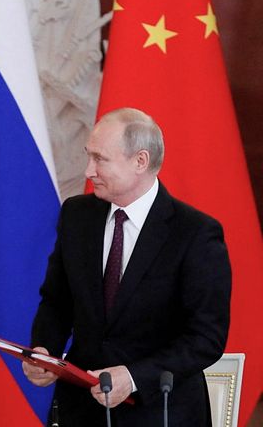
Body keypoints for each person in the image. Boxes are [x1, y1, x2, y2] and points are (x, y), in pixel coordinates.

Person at [23, 108, 231, 426]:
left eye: (100, 159)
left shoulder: (195, 233)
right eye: (89, 156)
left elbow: (205, 338)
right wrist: (46, 351)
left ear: (140, 161)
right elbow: (57, 300)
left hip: (160, 411)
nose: (89, 170)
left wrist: (133, 377)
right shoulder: (76, 215)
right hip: (83, 410)